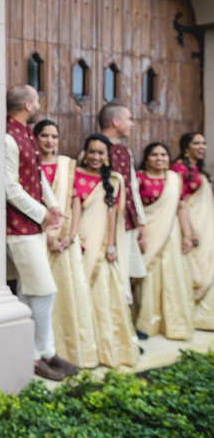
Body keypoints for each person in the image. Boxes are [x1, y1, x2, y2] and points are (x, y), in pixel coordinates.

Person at [4, 85, 75, 381]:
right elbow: (9, 187)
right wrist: (42, 213)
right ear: (29, 105)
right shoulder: (8, 137)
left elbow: (39, 175)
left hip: (32, 225)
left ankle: (40, 352)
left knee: (28, 290)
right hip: (17, 227)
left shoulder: (26, 134)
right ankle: (40, 354)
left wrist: (54, 206)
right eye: (38, 100)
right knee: (44, 290)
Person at [70, 134, 139, 368]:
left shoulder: (115, 181)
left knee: (104, 298)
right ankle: (82, 349)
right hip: (78, 244)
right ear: (84, 153)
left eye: (101, 153)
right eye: (92, 151)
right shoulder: (74, 175)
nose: (96, 157)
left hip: (101, 248)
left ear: (108, 156)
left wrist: (111, 246)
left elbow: (113, 217)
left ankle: (107, 350)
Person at [34, 120, 97, 369]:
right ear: (35, 138)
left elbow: (76, 201)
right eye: (45, 135)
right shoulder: (29, 165)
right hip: (40, 238)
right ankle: (45, 350)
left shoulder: (68, 166)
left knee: (69, 293)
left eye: (55, 136)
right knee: (42, 296)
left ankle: (68, 349)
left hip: (66, 242)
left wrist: (70, 236)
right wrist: (50, 237)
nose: (50, 140)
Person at [134, 143, 195, 340]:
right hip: (148, 233)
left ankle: (172, 323)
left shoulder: (174, 179)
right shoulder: (139, 177)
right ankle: (145, 323)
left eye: (163, 154)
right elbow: (133, 208)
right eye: (154, 155)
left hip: (170, 233)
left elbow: (181, 207)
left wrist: (187, 235)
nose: (159, 158)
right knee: (147, 278)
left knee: (172, 276)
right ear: (146, 158)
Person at [98, 103, 147, 311]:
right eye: (129, 119)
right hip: (106, 226)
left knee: (128, 272)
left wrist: (141, 223)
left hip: (128, 222)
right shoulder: (96, 150)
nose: (132, 124)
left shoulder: (126, 152)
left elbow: (132, 188)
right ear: (115, 121)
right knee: (109, 274)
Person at [170, 132, 214, 330]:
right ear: (186, 146)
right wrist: (188, 232)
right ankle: (186, 312)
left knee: (207, 264)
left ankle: (202, 315)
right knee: (192, 266)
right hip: (190, 223)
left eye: (204, 143)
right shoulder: (178, 168)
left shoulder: (200, 169)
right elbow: (178, 201)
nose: (202, 146)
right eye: (197, 143)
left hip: (205, 222)